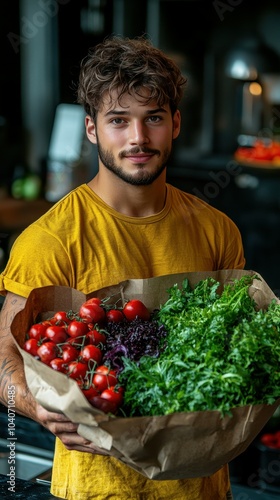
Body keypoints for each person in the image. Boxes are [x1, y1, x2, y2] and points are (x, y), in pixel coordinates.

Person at [0, 35, 245, 499]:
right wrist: (38, 408)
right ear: (91, 129)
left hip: (204, 488)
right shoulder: (50, 241)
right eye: (118, 121)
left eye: (152, 118)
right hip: (100, 489)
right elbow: (4, 359)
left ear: (174, 123)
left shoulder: (218, 231)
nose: (138, 138)